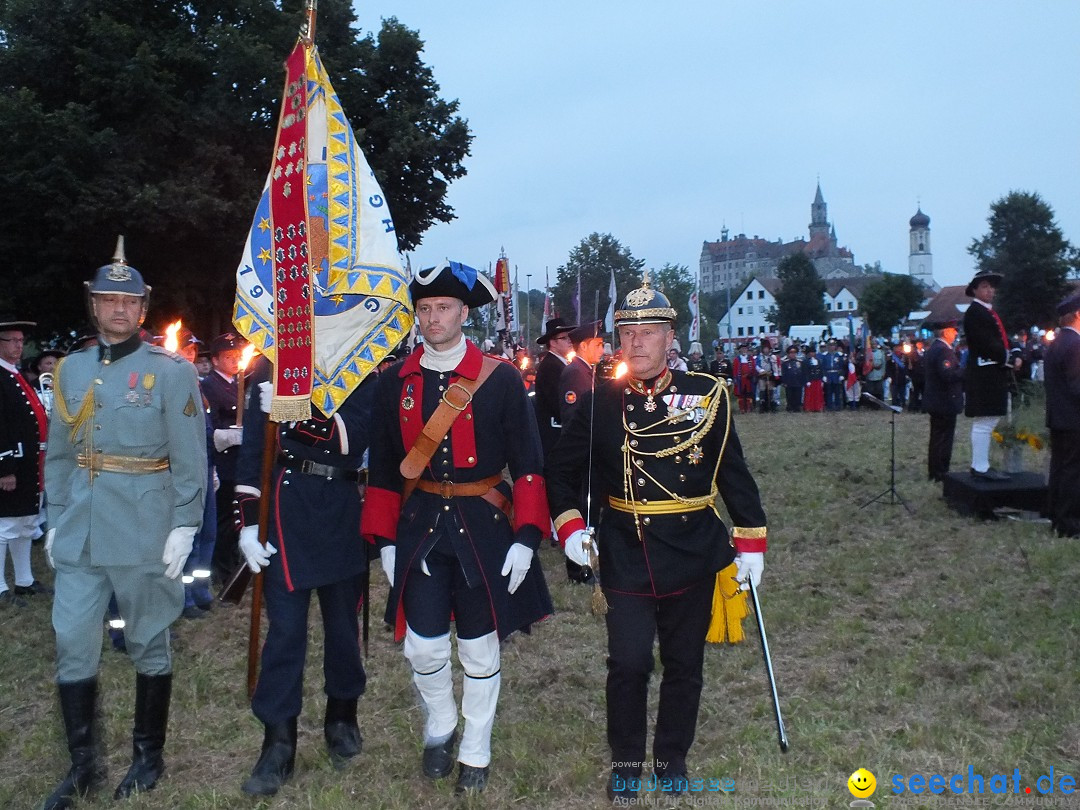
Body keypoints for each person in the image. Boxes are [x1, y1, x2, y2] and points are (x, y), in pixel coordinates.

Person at [547, 275, 768, 803]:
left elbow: (731, 473)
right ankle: (626, 764)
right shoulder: (601, 400)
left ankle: (672, 760)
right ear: (616, 339)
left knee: (684, 663)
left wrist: (752, 541)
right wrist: (572, 525)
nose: (638, 343)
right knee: (627, 664)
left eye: (649, 332)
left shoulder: (706, 397)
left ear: (672, 337)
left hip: (692, 550)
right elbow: (562, 470)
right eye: (628, 333)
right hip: (623, 549)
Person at [362, 261, 553, 794]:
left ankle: (476, 746)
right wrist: (385, 541)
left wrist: (528, 535)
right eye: (423, 309)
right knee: (422, 646)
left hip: (484, 524)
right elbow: (382, 468)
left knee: (478, 646)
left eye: (443, 308)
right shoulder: (394, 380)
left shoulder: (501, 378)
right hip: (420, 524)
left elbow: (529, 461)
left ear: (464, 313)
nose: (433, 318)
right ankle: (441, 722)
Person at [41, 241, 206, 808]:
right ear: (93, 305)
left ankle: (147, 756)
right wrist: (55, 518)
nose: (118, 309)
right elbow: (60, 454)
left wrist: (185, 525)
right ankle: (82, 765)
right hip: (82, 529)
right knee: (71, 640)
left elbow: (191, 458)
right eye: (108, 299)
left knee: (148, 639)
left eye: (128, 301)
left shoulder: (171, 373)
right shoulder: (72, 369)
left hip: (144, 527)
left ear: (143, 308)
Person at [232, 358, 376, 796]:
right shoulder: (269, 365)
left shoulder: (362, 361)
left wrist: (292, 407)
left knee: (343, 628)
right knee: (286, 632)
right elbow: (255, 451)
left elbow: (354, 434)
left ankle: (342, 715)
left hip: (343, 505)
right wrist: (247, 525)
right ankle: (278, 741)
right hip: (286, 509)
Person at [0, 315, 51, 607]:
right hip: (12, 465)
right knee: (5, 526)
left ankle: (24, 581)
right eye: (13, 340)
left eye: (21, 341)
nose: (19, 345)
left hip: (30, 462)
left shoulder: (15, 375)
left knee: (24, 523)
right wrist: (4, 468)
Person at [557, 320, 604, 585]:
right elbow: (577, 419)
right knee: (583, 510)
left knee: (591, 510)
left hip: (589, 453)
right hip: (581, 454)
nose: (603, 349)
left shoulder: (587, 370)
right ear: (584, 345)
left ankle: (587, 562)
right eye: (598, 344)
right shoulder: (576, 373)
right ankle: (579, 568)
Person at [203, 332, 247, 583]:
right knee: (224, 518)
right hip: (224, 461)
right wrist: (227, 435)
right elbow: (212, 423)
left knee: (236, 516)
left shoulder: (238, 383)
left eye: (237, 356)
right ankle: (221, 569)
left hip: (239, 460)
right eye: (228, 357)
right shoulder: (209, 385)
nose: (234, 361)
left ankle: (232, 563)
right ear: (216, 361)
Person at [962, 269, 1011, 480]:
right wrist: (1007, 356)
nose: (990, 290)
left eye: (991, 286)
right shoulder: (974, 313)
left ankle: (981, 464)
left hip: (992, 373)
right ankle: (979, 466)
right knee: (984, 422)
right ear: (974, 290)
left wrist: (1014, 352)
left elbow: (1001, 339)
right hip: (984, 375)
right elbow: (987, 343)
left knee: (987, 421)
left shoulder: (989, 312)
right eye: (984, 286)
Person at [1043, 293, 1080, 537]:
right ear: (1077, 315)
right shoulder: (1076, 345)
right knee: (1072, 471)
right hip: (1073, 417)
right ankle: (1069, 523)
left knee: (1059, 467)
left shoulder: (1056, 342)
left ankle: (1056, 515)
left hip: (1058, 415)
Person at [922, 320, 964, 482]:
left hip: (937, 401)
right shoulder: (943, 351)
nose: (955, 334)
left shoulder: (935, 349)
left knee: (937, 437)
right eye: (953, 331)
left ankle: (935, 471)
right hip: (944, 401)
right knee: (943, 438)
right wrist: (965, 371)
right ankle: (940, 471)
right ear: (945, 332)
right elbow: (948, 375)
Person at [532, 317, 577, 458]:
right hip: (554, 435)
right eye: (564, 338)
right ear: (552, 342)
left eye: (569, 337)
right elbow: (557, 404)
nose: (569, 340)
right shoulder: (551, 366)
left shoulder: (560, 364)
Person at [755, 340, 781, 413]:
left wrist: (774, 374)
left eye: (767, 348)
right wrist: (762, 371)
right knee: (762, 389)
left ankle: (771, 405)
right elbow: (757, 366)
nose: (766, 350)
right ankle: (762, 405)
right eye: (764, 348)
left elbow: (775, 366)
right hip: (762, 376)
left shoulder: (772, 357)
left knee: (770, 390)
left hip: (770, 376)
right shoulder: (759, 357)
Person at [731, 344, 756, 414]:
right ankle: (742, 409)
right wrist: (735, 378)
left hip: (748, 379)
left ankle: (748, 408)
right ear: (740, 350)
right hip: (740, 379)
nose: (744, 350)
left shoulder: (750, 358)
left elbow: (753, 368)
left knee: (749, 394)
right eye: (743, 349)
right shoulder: (737, 359)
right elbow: (735, 370)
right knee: (741, 394)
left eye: (745, 349)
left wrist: (752, 375)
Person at [780, 344, 805, 412]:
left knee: (798, 395)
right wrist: (784, 382)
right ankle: (790, 407)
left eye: (794, 353)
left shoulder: (800, 362)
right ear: (788, 354)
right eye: (791, 353)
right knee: (789, 396)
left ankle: (797, 407)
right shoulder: (785, 363)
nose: (793, 354)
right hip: (789, 382)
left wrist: (803, 381)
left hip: (798, 382)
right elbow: (783, 373)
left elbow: (802, 372)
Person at [802, 344, 825, 412]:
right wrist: (807, 380)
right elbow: (805, 372)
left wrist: (822, 379)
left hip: (817, 380)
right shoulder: (806, 361)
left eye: (813, 352)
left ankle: (818, 407)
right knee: (809, 395)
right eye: (811, 352)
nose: (812, 354)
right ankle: (809, 407)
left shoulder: (818, 360)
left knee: (818, 394)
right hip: (810, 380)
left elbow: (821, 370)